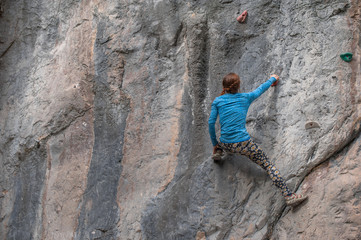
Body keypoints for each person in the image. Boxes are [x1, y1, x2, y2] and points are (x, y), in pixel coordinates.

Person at [208, 72, 307, 207]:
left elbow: (211, 123)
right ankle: (289, 195)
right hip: (244, 144)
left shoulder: (218, 101)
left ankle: (218, 152)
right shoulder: (245, 97)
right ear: (238, 86)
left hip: (226, 144)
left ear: (224, 86)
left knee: (221, 141)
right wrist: (273, 79)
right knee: (268, 166)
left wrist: (215, 144)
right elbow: (260, 89)